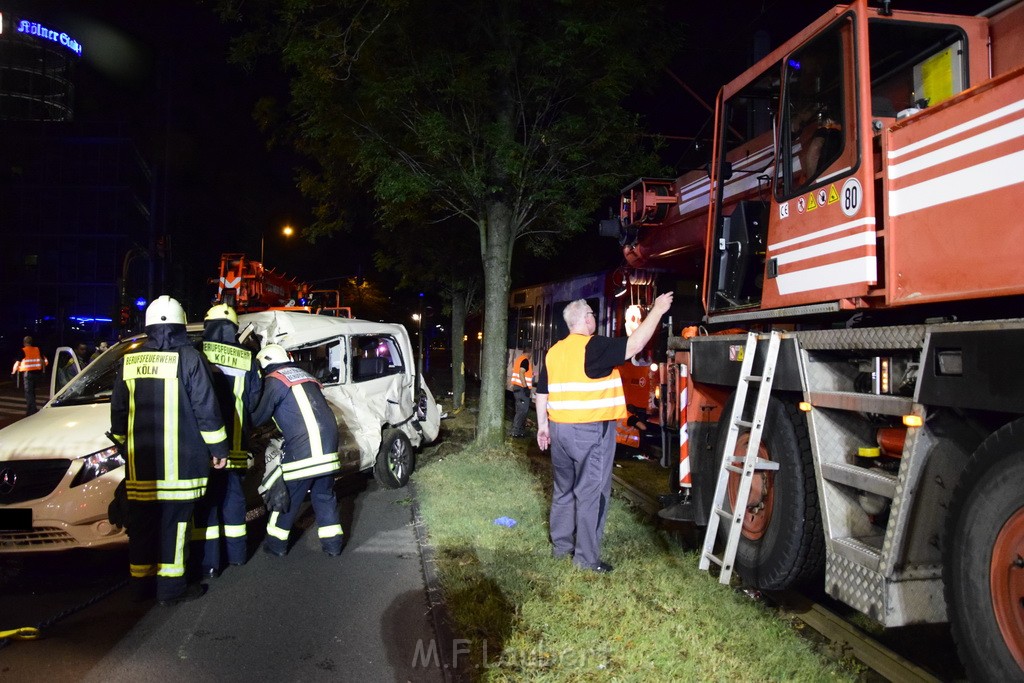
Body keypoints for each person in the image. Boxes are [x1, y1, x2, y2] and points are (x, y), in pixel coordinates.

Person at [535, 292, 673, 573]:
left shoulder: (555, 351)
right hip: (589, 432)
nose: (593, 319)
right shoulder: (593, 347)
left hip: (559, 431)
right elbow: (634, 344)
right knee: (592, 493)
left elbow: (542, 394)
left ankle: (561, 548)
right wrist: (657, 311)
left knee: (564, 491)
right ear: (586, 320)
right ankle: (586, 560)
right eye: (592, 316)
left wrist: (542, 426)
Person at [110, 295, 229, 606]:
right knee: (175, 528)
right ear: (181, 325)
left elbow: (119, 412)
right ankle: (171, 590)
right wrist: (218, 448)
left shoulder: (130, 360)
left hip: (142, 467)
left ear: (148, 326)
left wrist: (126, 446)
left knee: (143, 526)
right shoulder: (190, 359)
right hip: (181, 468)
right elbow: (206, 409)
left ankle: (141, 586)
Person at [252, 344, 344, 558]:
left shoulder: (274, 380)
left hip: (304, 451)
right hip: (329, 449)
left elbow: (258, 418)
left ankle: (275, 545)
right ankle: (333, 546)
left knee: (288, 497)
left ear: (264, 363)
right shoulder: (306, 376)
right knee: (324, 495)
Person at [191, 303, 262, 578]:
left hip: (202, 448)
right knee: (233, 498)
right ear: (233, 329)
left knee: (206, 502)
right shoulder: (248, 358)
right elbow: (254, 401)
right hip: (235, 442)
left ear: (207, 327)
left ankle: (209, 564)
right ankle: (238, 556)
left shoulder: (196, 353)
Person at [11, 336, 47, 415]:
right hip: (37, 373)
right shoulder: (37, 349)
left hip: (28, 374)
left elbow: (17, 363)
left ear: (24, 343)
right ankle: (31, 408)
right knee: (32, 391)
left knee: (28, 392)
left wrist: (13, 372)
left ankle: (32, 409)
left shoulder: (23, 350)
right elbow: (42, 361)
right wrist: (44, 371)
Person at [509, 349, 533, 438]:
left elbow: (522, 373)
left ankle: (520, 430)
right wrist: (525, 386)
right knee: (522, 411)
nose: (531, 356)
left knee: (520, 410)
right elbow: (521, 372)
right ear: (529, 353)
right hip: (522, 389)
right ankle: (516, 431)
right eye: (531, 354)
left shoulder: (519, 359)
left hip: (518, 389)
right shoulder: (525, 360)